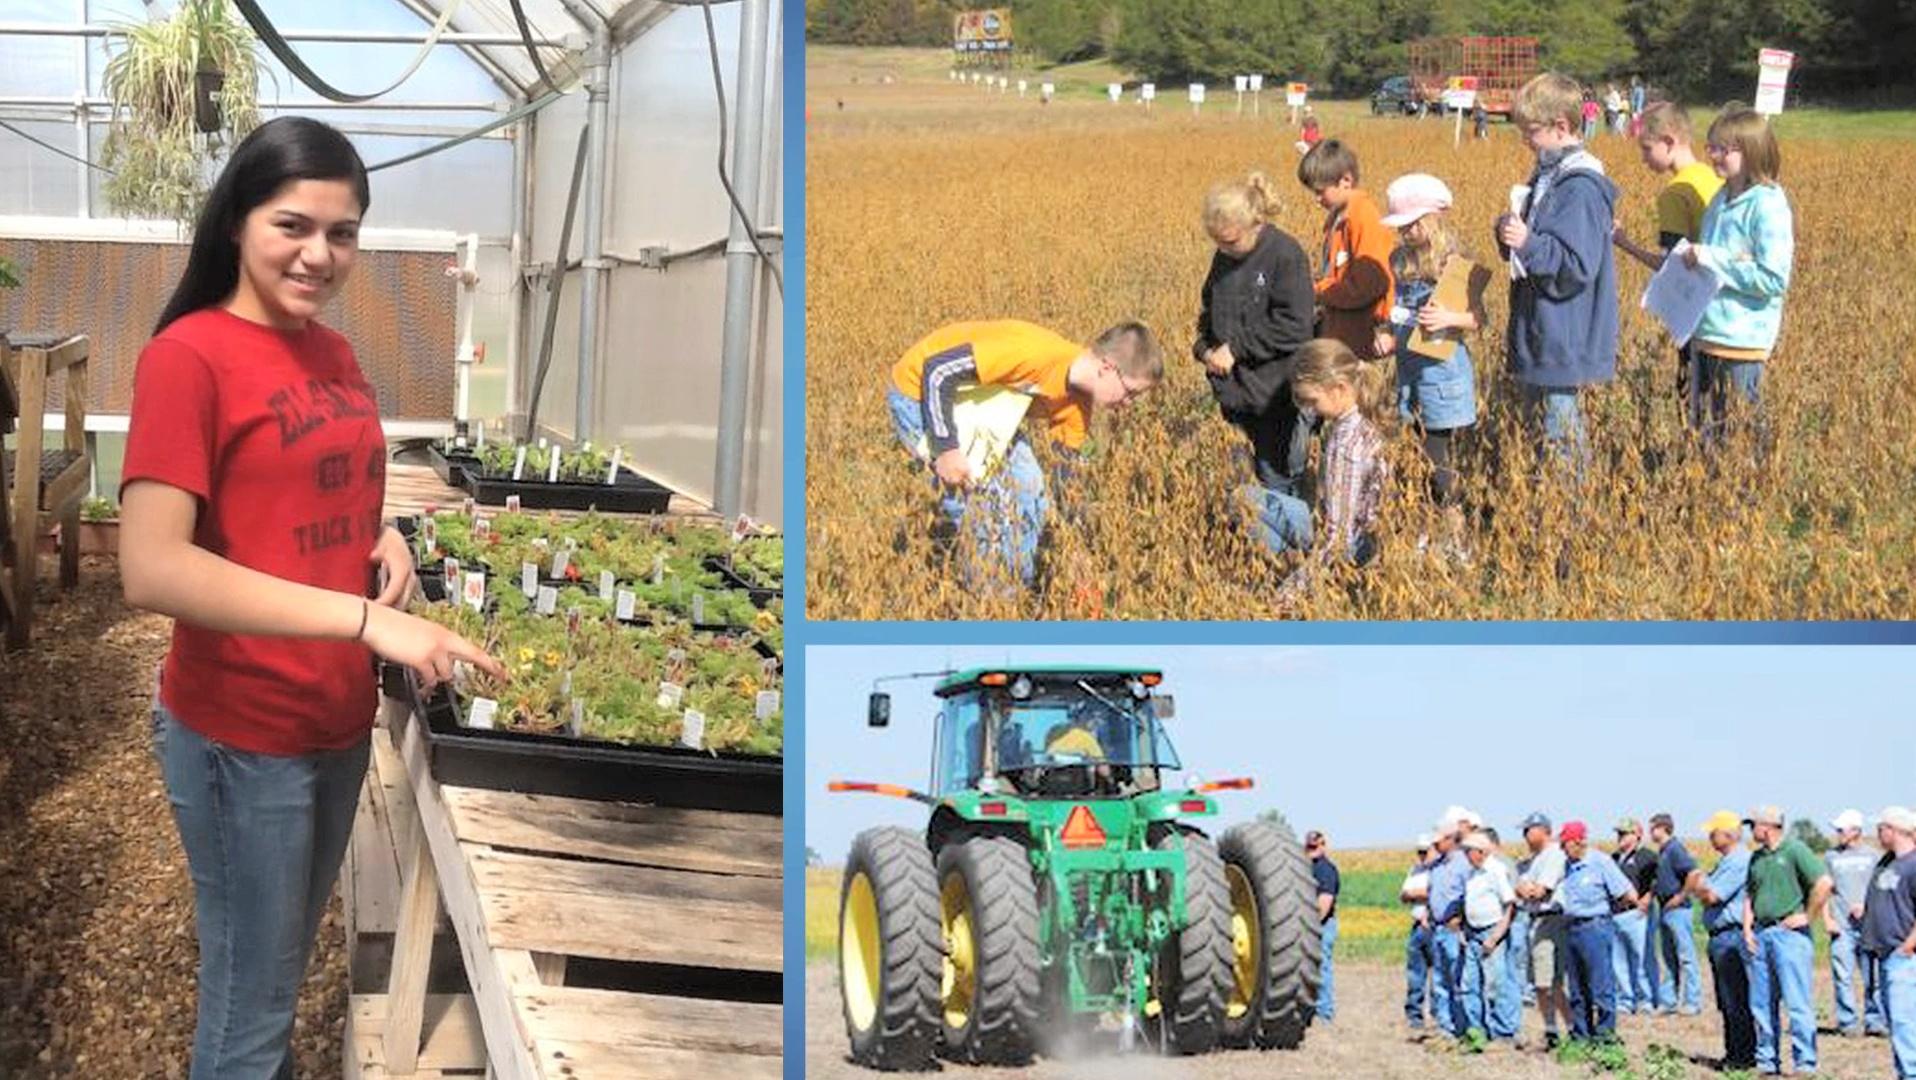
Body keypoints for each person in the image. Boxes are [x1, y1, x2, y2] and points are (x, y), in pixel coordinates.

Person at [119, 117, 507, 1079]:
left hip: (333, 717)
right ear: (238, 220)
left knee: (280, 974)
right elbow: (153, 568)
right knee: (249, 1009)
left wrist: (376, 540)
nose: (319, 254)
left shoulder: (330, 353)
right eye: (293, 225)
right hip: (242, 734)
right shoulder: (189, 357)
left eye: (343, 233)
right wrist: (369, 620)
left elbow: (317, 490)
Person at [886, 319, 1163, 587]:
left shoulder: (1078, 406)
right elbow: (938, 371)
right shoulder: (1033, 353)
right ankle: (992, 601)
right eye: (1130, 393)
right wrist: (946, 449)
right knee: (986, 508)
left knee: (1030, 488)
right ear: (1106, 368)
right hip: (919, 393)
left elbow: (1063, 478)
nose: (1128, 404)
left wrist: (1073, 546)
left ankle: (1018, 583)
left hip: (979, 401)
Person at [1495, 73, 1620, 469]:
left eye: (1530, 131)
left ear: (1561, 127)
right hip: (1543, 326)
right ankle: (1547, 518)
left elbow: (1576, 266)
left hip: (1563, 330)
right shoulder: (1547, 176)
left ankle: (1570, 521)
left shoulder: (1580, 188)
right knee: (1540, 433)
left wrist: (1528, 243)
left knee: (1559, 436)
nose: (1525, 140)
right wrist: (1510, 234)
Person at [1375, 173, 1484, 551]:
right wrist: (1387, 333)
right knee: (1415, 456)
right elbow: (1399, 312)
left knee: (1438, 463)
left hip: (1443, 377)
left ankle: (1457, 539)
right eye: (1401, 226)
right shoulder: (1398, 260)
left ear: (1432, 218)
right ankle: (1425, 529)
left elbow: (1477, 318)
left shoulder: (1455, 261)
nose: (1405, 232)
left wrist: (1448, 320)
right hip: (1407, 375)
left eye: (1411, 225)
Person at [1194, 173, 1318, 499]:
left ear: (1255, 223)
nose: (1224, 250)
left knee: (1275, 485)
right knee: (1239, 487)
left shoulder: (1285, 255)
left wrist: (1236, 349)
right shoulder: (1224, 256)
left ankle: (1284, 548)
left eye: (1231, 242)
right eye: (1218, 242)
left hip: (1275, 398)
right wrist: (1204, 349)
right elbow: (1210, 312)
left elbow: (1296, 325)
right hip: (1232, 397)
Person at [1682, 103, 1794, 445]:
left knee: (1740, 435)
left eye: (1721, 149)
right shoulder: (1720, 197)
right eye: (1710, 146)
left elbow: (1773, 278)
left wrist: (1712, 258)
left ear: (1750, 152)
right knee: (1706, 435)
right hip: (1706, 333)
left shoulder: (1768, 204)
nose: (1712, 155)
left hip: (1741, 341)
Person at [1612, 101, 1724, 430]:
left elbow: (1671, 265)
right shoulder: (1710, 177)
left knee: (1692, 399)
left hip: (1697, 314)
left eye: (1647, 149)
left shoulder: (1674, 194)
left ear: (1670, 141)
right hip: (1724, 309)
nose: (1644, 159)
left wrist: (1623, 242)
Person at [1249, 339, 1390, 578]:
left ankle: (1290, 574)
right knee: (1246, 498)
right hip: (1354, 534)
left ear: (1340, 389)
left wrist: (1287, 597)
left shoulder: (1348, 448)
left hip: (1354, 546)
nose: (1308, 409)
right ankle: (1288, 565)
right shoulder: (1354, 420)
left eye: (1312, 401)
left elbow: (1339, 539)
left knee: (1245, 502)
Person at [1742, 804, 1834, 1076]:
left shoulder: (1795, 850)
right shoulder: (1756, 858)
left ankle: (1805, 1064)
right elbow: (1750, 894)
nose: (1751, 831)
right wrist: (1747, 929)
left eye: (1753, 825)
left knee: (1797, 1003)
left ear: (1767, 826)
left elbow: (1824, 883)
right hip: (1761, 934)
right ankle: (1767, 1062)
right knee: (1761, 1004)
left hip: (1789, 936)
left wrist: (1808, 916)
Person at [1298, 139, 1395, 361]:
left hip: (1357, 339)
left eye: (1321, 191)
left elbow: (1368, 285)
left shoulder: (1362, 217)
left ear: (1346, 181)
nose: (1317, 199)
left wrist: (1318, 291)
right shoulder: (1339, 216)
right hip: (1339, 333)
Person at [1557, 820, 1637, 1044]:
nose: (1563, 848)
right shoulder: (1568, 866)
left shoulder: (1600, 862)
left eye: (1565, 844)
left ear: (1578, 842)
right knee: (1577, 987)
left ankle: (1605, 1036)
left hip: (1595, 927)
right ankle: (1582, 1035)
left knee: (1600, 985)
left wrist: (1611, 911)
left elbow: (1627, 894)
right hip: (1572, 928)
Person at [1689, 810, 1757, 1071]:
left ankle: (1742, 1057)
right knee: (1728, 1000)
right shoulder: (1727, 861)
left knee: (1736, 999)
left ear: (1728, 834)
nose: (1709, 837)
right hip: (1722, 937)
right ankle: (1736, 1053)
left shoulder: (1738, 861)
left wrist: (1697, 884)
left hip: (1732, 937)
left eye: (1713, 832)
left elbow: (1711, 896)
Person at [1862, 806, 1916, 1080]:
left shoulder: (1913, 863)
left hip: (1903, 956)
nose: (1877, 833)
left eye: (1881, 828)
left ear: (1894, 830)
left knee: (1906, 1023)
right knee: (1896, 1022)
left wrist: (1909, 945)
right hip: (1883, 953)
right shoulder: (1886, 862)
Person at [1828, 808, 1888, 1037]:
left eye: (1841, 829)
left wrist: (1866, 906)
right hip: (1841, 926)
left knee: (1872, 975)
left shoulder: (1874, 856)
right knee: (1842, 975)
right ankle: (1848, 1022)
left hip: (1869, 926)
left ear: (1856, 830)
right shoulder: (1831, 857)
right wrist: (1828, 919)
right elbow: (1826, 890)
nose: (1838, 833)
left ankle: (1875, 1021)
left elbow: (1881, 889)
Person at [1515, 811, 1570, 1046]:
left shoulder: (1554, 855)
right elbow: (1520, 888)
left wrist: (1527, 889)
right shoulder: (1535, 858)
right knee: (1540, 983)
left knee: (1550, 983)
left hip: (1551, 919)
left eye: (1528, 830)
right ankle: (1551, 1029)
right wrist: (1524, 889)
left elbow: (1539, 891)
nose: (1524, 835)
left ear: (1543, 830)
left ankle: (1570, 1027)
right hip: (1535, 920)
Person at [1460, 831, 1517, 1045]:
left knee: (1496, 985)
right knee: (1470, 985)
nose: (1466, 855)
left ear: (1481, 852)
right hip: (1472, 933)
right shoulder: (1472, 873)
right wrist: (1464, 931)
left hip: (1492, 932)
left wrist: (1495, 937)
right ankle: (1477, 1030)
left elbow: (1510, 905)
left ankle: (1503, 1033)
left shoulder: (1496, 870)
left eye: (1469, 851)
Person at [1427, 810, 1475, 1039]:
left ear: (1450, 839)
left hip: (1454, 930)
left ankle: (1462, 1026)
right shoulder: (1436, 866)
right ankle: (1445, 1029)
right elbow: (1432, 894)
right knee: (1439, 982)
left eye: (1438, 842)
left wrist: (1461, 917)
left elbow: (1471, 894)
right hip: (1437, 928)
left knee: (1458, 979)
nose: (1435, 846)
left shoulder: (1463, 865)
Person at [1650, 812, 1704, 1015]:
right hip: (1664, 908)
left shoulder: (1674, 849)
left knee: (1686, 956)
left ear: (1663, 828)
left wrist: (1681, 896)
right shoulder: (1663, 851)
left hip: (1678, 910)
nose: (1650, 832)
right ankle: (1669, 1000)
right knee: (1669, 956)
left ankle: (1693, 1001)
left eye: (1653, 827)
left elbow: (1693, 872)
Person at [1610, 817, 1658, 1015]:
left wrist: (1648, 897)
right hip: (1616, 914)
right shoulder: (1613, 858)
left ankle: (1646, 999)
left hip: (1637, 914)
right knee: (1618, 961)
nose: (1620, 837)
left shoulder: (1647, 856)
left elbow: (1658, 879)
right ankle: (1625, 1000)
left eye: (1624, 833)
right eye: (1619, 833)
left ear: (1637, 834)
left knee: (1641, 958)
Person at [1482, 827, 1523, 1040]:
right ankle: (1504, 1025)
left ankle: (1506, 1027)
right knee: (1503, 976)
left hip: (1506, 924)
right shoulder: (1498, 863)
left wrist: (1499, 931)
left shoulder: (1500, 864)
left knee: (1504, 977)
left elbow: (1511, 901)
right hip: (1504, 924)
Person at [1401, 835, 1439, 1033]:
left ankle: (1437, 1015)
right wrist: (1419, 892)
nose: (1422, 856)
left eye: (1426, 851)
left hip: (1434, 926)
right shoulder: (1414, 870)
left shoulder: (1440, 871)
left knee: (1438, 976)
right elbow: (1403, 894)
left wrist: (1416, 893)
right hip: (1416, 926)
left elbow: (1437, 893)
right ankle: (1414, 1015)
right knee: (1415, 974)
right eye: (1420, 852)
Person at [1308, 830, 1342, 1021]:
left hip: (1323, 925)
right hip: (1314, 924)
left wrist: (1313, 924)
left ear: (1323, 845)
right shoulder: (1308, 867)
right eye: (1309, 847)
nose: (1312, 850)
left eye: (1315, 846)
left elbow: (1325, 901)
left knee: (1322, 966)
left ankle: (1324, 1011)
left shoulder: (1325, 869)